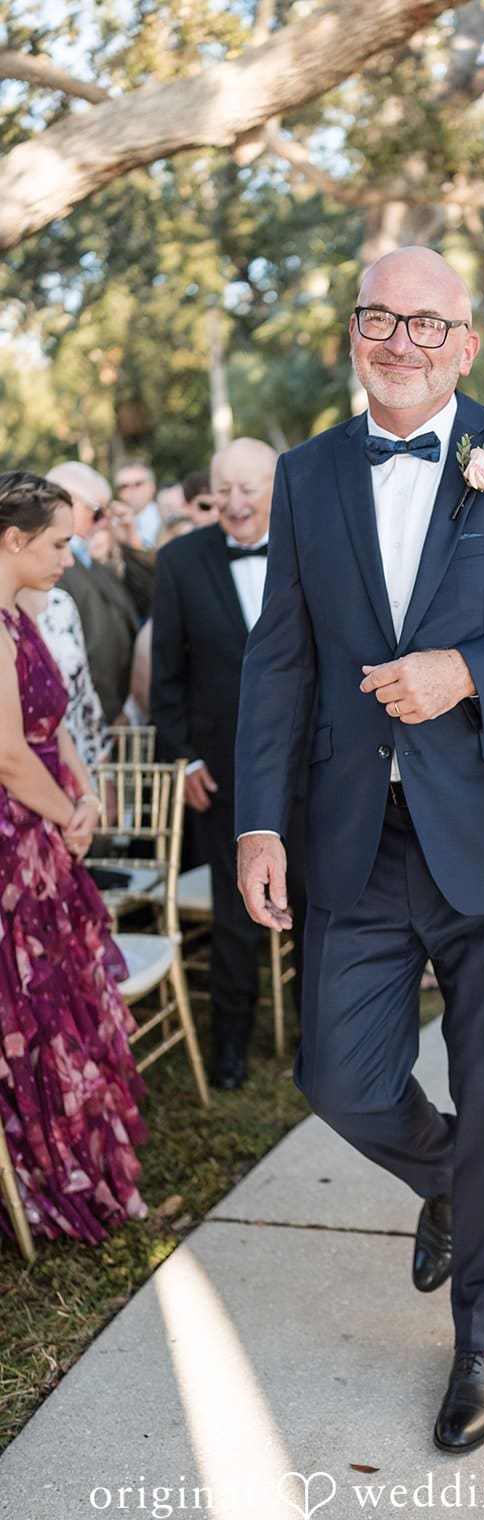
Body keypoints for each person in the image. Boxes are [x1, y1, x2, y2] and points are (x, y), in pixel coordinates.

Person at [234, 246, 484, 1453]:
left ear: (464, 341)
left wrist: (472, 669)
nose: (395, 341)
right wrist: (258, 820)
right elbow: (280, 661)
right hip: (354, 835)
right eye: (375, 319)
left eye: (422, 322)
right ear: (352, 333)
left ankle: (482, 1342)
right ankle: (455, 1183)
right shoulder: (304, 474)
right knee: (340, 1080)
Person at [0, 471, 148, 1246]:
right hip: (17, 840)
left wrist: (86, 800)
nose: (70, 555)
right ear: (13, 540)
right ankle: (35, 1173)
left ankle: (75, 1161)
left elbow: (52, 723)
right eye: (58, 543)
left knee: (65, 996)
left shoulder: (22, 617)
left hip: (52, 828)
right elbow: (8, 758)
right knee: (31, 1004)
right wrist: (68, 819)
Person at [152, 438, 307, 1091]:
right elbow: (166, 679)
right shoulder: (180, 561)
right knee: (233, 915)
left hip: (309, 764)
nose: (237, 503)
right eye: (225, 490)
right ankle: (230, 1049)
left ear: (276, 489)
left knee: (314, 905)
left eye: (251, 488)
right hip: (221, 774)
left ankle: (320, 1045)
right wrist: (184, 758)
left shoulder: (310, 549)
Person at [47, 462, 142, 722]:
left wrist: (131, 543)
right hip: (84, 719)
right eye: (98, 512)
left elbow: (148, 600)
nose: (105, 522)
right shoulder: (51, 568)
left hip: (112, 714)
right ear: (66, 503)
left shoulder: (92, 562)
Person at [16, 585, 111, 768]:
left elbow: (84, 697)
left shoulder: (61, 604)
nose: (69, 560)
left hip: (74, 769)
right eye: (58, 553)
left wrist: (97, 779)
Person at [115, 459, 162, 548]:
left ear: (152, 486)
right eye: (124, 486)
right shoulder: (113, 523)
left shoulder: (164, 518)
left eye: (137, 484)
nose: (130, 491)